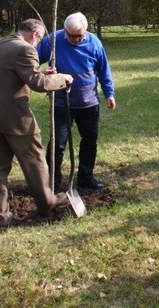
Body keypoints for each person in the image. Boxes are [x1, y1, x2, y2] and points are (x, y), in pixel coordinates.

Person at [0, 19, 74, 228]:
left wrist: (40, 73)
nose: (37, 46)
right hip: (16, 120)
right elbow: (38, 84)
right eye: (38, 41)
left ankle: (0, 216)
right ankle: (47, 202)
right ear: (35, 34)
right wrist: (62, 78)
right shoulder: (25, 50)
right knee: (36, 162)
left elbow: (13, 75)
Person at [37, 12, 116, 191]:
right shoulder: (53, 41)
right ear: (65, 30)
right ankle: (53, 183)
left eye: (79, 36)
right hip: (60, 102)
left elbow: (104, 70)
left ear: (85, 31)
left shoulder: (94, 42)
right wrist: (45, 73)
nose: (75, 39)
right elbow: (32, 59)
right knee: (58, 143)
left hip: (88, 102)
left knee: (90, 140)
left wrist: (109, 94)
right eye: (71, 35)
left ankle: (86, 178)